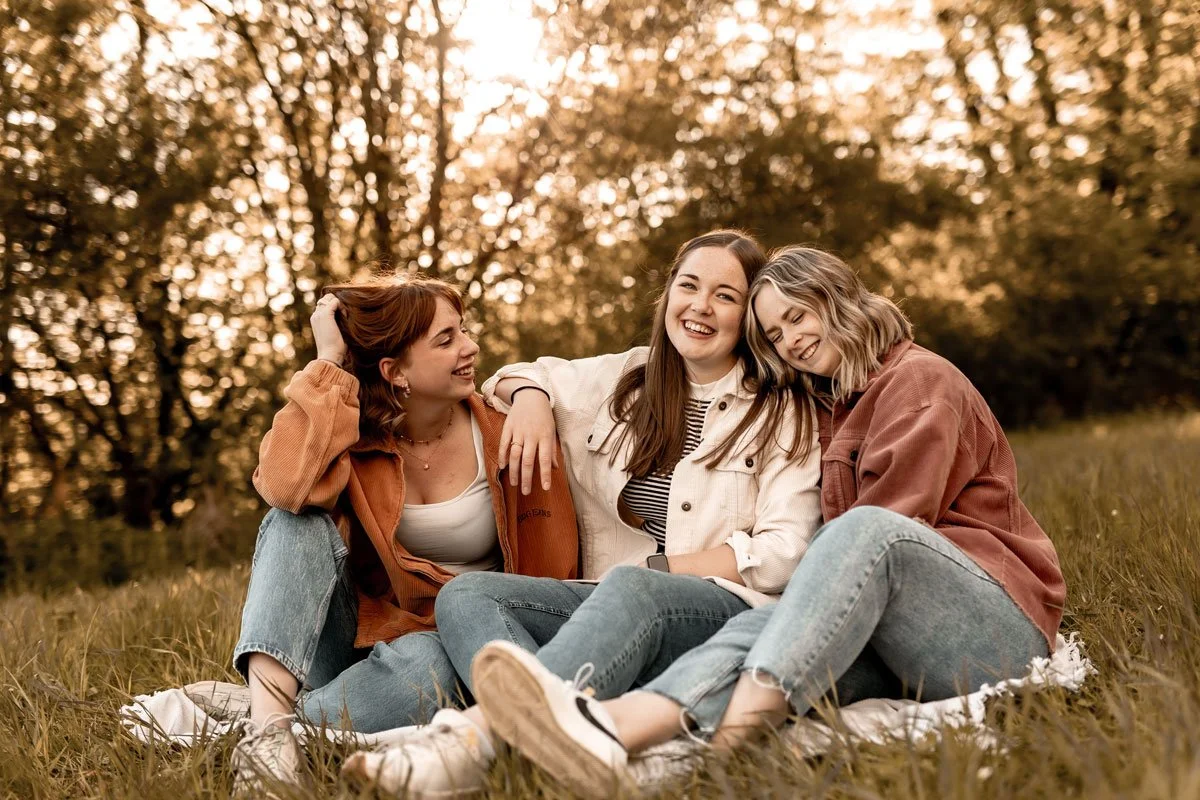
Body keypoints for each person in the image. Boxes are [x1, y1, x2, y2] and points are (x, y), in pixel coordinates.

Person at [466, 245, 1068, 799]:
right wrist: (531, 396)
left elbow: (886, 531)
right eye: (776, 335)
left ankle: (725, 749)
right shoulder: (831, 400)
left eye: (799, 317)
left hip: (989, 628)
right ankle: (603, 730)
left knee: (854, 540)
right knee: (761, 629)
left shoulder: (919, 381)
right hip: (906, 640)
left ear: (839, 299)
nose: (792, 341)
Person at [341, 230, 823, 796]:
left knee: (633, 586)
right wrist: (532, 401)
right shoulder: (627, 378)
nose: (700, 306)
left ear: (749, 316)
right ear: (669, 293)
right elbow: (520, 375)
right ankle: (551, 738)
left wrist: (663, 570)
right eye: (689, 286)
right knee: (467, 596)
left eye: (725, 296)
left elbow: (786, 552)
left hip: (714, 608)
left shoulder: (782, 411)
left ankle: (476, 742)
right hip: (607, 602)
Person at [200, 275, 578, 794]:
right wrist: (328, 362)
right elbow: (285, 486)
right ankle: (268, 737)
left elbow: (551, 567)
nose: (470, 347)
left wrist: (532, 394)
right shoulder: (353, 434)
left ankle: (266, 713)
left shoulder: (504, 430)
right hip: (360, 638)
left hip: (450, 647)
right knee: (294, 520)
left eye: (463, 331)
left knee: (430, 668)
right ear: (394, 371)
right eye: (446, 340)